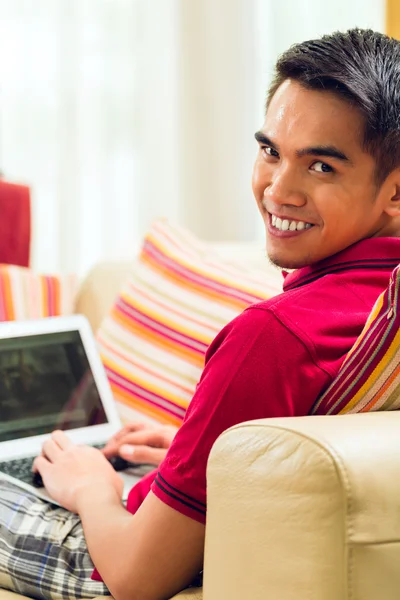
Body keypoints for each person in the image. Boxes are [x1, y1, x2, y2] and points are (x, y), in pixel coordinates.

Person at [2, 27, 400, 600]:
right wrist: (221, 455)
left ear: (394, 191)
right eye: (270, 151)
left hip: (116, 554)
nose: (277, 189)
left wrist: (92, 489)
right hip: (200, 518)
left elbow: (138, 577)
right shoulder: (378, 301)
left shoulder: (273, 335)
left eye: (321, 167)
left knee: (63, 465)